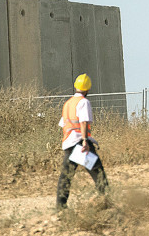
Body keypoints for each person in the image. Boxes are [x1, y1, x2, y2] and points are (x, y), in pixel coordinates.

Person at [56, 73, 109, 209]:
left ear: (75, 86)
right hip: (81, 145)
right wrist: (85, 141)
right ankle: (106, 201)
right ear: (88, 89)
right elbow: (83, 122)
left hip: (69, 144)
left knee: (66, 176)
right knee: (98, 172)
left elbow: (63, 124)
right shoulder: (83, 102)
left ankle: (60, 206)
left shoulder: (68, 103)